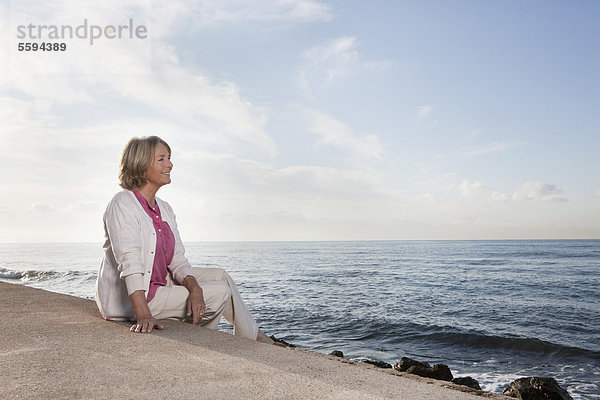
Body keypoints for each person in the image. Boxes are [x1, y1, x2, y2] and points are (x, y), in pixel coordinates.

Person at [95, 136, 275, 344]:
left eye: (169, 158)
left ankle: (253, 336)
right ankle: (204, 339)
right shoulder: (123, 203)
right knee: (219, 293)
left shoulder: (165, 208)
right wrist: (144, 314)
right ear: (141, 164)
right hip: (135, 299)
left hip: (158, 282)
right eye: (161, 159)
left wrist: (195, 288)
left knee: (221, 276)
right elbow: (130, 262)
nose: (170, 164)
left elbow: (177, 259)